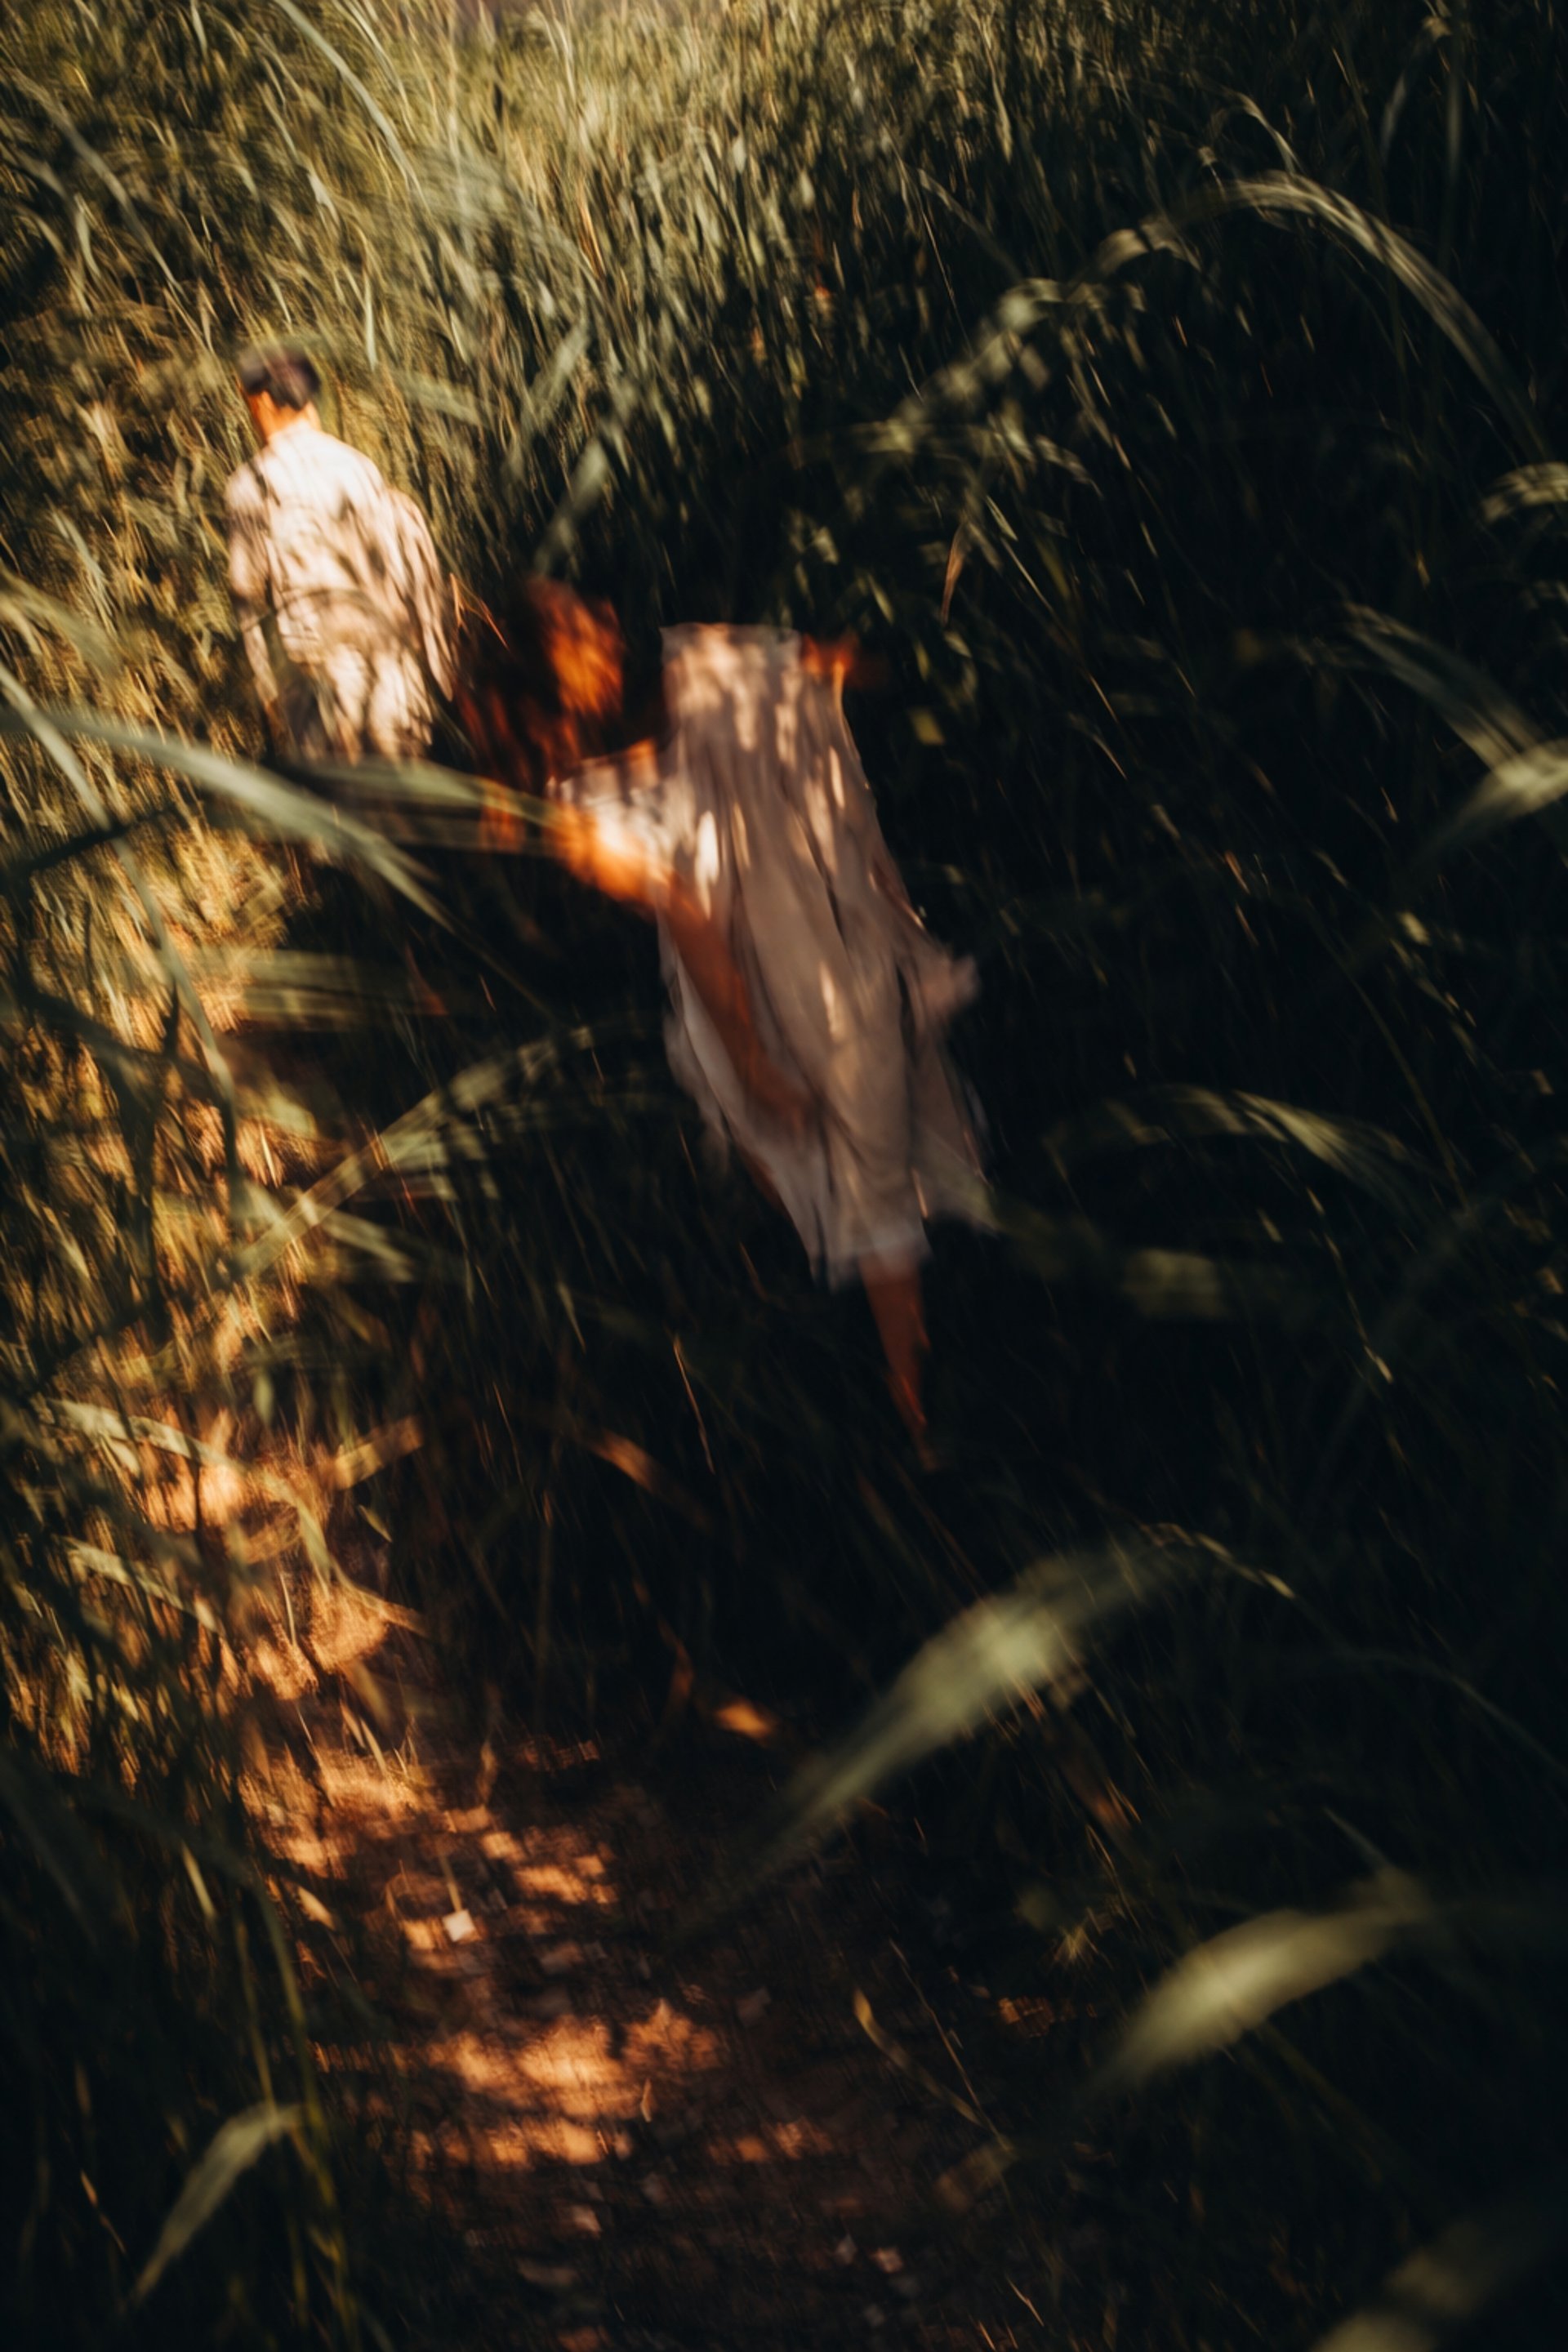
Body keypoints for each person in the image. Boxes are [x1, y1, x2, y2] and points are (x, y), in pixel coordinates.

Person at [457, 582, 989, 1460]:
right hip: (787, 968)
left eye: (592, 620)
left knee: (850, 1173)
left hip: (802, 969)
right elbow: (692, 915)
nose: (604, 635)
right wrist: (748, 1057)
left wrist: (749, 1061)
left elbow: (816, 671)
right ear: (546, 680)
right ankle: (890, 1350)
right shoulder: (589, 795)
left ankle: (916, 1408)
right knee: (838, 1149)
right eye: (577, 638)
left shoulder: (668, 696)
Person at [225, 345, 456, 764]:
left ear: (259, 401)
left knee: (345, 824)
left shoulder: (251, 487)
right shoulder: (360, 468)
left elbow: (250, 605)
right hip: (395, 685)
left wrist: (269, 699)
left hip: (327, 709)